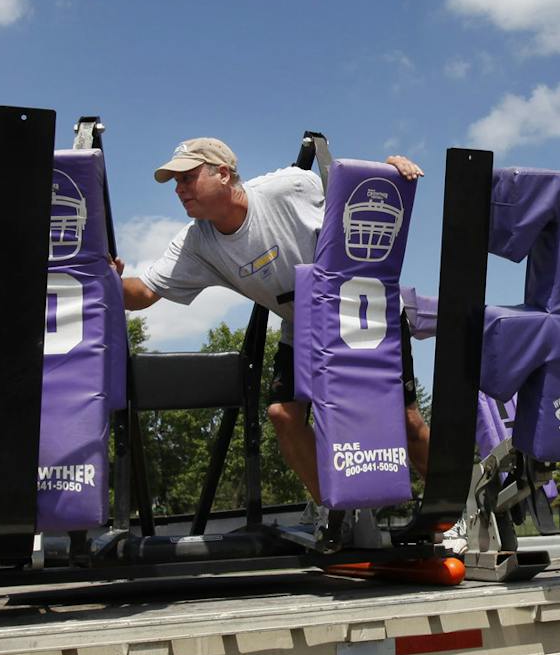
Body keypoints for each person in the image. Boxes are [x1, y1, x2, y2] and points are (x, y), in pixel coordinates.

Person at [116, 137, 429, 504]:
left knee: (405, 421)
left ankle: (454, 509)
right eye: (175, 182)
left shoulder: (290, 186)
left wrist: (389, 169)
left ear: (223, 173)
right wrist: (105, 280)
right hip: (306, 327)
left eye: (187, 177)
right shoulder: (195, 244)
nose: (179, 189)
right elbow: (143, 294)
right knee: (283, 415)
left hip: (363, 312)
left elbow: (356, 192)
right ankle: (335, 513)